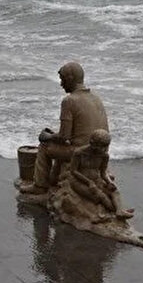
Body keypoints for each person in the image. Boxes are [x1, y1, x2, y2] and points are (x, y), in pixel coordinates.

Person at [20, 61, 109, 194]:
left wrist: (47, 136)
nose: (61, 84)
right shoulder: (96, 98)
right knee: (59, 144)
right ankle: (54, 179)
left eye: (62, 79)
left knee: (45, 147)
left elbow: (64, 137)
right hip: (100, 150)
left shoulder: (69, 101)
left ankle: (40, 185)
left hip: (82, 152)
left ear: (70, 78)